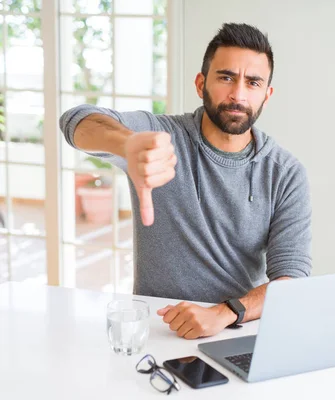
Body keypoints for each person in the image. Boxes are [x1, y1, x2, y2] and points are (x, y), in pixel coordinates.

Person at [59, 23, 312, 339]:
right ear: (200, 83)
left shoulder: (285, 172)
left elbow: (291, 280)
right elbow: (76, 121)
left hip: (236, 330)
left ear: (266, 95)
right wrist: (126, 144)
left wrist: (224, 313)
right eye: (226, 77)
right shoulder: (159, 138)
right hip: (156, 328)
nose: (238, 94)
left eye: (253, 82)